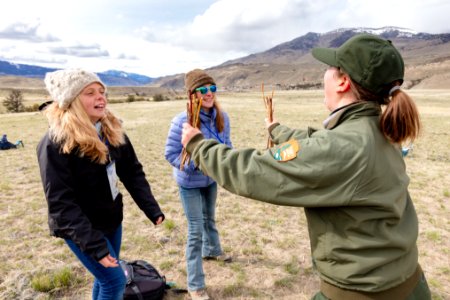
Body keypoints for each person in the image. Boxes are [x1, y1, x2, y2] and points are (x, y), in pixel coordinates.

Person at [181, 34, 431, 299]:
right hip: (409, 284)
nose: (325, 73)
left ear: (343, 82)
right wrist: (277, 130)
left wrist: (198, 146)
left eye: (330, 68)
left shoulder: (342, 146)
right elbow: (316, 144)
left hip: (362, 293)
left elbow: (250, 171)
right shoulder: (383, 130)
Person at [36, 69, 165, 300]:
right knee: (114, 281)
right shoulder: (55, 143)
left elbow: (132, 172)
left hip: (111, 218)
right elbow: (61, 204)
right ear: (71, 101)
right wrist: (95, 246)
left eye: (102, 91)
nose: (101, 97)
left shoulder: (111, 130)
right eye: (90, 92)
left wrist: (151, 208)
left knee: (104, 278)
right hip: (80, 227)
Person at [165, 69, 232, 300]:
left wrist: (223, 163)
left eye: (212, 88)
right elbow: (171, 154)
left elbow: (227, 146)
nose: (209, 94)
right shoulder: (181, 120)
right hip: (190, 182)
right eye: (203, 90)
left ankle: (212, 250)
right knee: (195, 231)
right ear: (192, 94)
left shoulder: (222, 117)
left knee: (209, 218)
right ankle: (195, 284)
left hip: (211, 180)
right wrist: (196, 164)